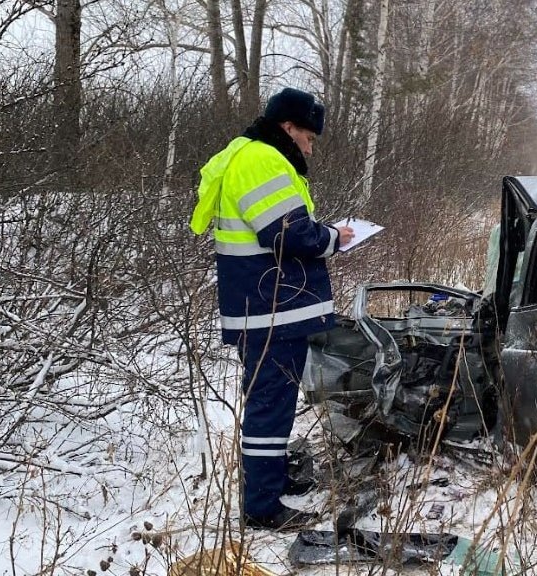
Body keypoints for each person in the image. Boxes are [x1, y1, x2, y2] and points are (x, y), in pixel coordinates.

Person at [190, 88, 354, 531]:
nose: (310, 146)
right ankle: (262, 506)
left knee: (273, 403)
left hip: (267, 307)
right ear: (288, 127)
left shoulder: (251, 156)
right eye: (308, 136)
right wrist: (334, 238)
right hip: (270, 309)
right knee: (270, 407)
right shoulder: (261, 160)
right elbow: (286, 232)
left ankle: (272, 480)